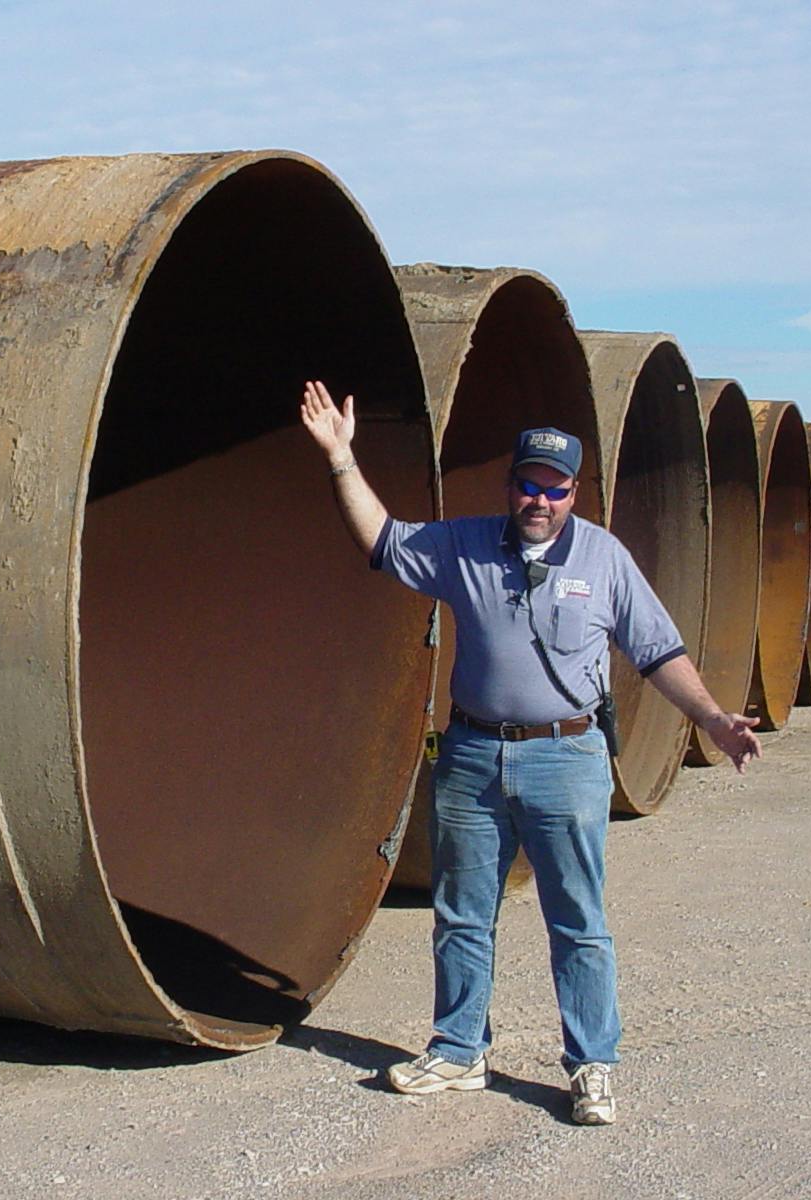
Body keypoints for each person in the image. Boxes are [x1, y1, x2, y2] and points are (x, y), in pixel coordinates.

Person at [299, 380, 761, 1126]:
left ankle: (592, 1066)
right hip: (475, 754)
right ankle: (458, 1050)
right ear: (510, 484)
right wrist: (341, 459)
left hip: (567, 759)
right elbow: (382, 540)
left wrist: (710, 717)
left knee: (577, 918)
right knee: (460, 913)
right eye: (528, 484)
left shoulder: (605, 560)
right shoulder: (467, 544)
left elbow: (658, 649)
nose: (539, 500)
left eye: (556, 488)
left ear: (575, 492)